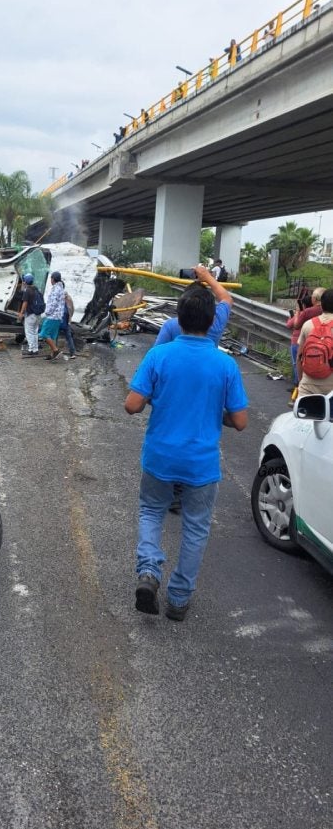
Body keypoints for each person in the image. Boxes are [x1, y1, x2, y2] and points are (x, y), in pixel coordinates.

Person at [124, 287, 248, 621]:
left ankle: (149, 573)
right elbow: (240, 420)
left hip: (160, 457)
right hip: (201, 465)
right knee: (195, 529)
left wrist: (159, 396)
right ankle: (178, 600)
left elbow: (132, 405)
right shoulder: (225, 364)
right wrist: (213, 411)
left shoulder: (159, 356)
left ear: (178, 318)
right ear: (211, 322)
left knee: (151, 512)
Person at [155, 265, 232, 348]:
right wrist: (208, 277)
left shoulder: (170, 326)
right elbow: (227, 299)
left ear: (180, 317)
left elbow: (156, 352)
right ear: (212, 320)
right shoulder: (217, 324)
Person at [296, 287, 333, 398]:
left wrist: (301, 381)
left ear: (321, 305)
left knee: (304, 415)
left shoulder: (308, 324)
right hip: (331, 391)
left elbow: (299, 357)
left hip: (307, 388)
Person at [286, 293, 313, 385]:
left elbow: (290, 325)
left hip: (296, 342)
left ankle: (297, 384)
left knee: (296, 363)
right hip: (308, 342)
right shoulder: (314, 314)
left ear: (304, 305)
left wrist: (292, 316)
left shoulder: (302, 314)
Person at [39, 271, 65, 360]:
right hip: (57, 316)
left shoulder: (56, 289)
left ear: (53, 279)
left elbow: (52, 304)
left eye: (51, 278)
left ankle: (56, 350)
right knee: (52, 335)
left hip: (52, 316)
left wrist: (46, 313)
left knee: (44, 333)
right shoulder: (60, 288)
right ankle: (53, 353)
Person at [17, 273, 41, 357]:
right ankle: (35, 349)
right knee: (35, 332)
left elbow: (25, 303)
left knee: (29, 332)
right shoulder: (36, 289)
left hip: (30, 314)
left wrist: (21, 313)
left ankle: (31, 349)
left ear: (25, 281)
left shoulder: (28, 290)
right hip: (37, 314)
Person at [59, 286, 76, 359]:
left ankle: (55, 351)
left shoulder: (60, 296)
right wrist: (70, 318)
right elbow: (72, 310)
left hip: (60, 320)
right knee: (69, 337)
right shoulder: (69, 298)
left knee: (56, 335)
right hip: (67, 320)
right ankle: (72, 353)